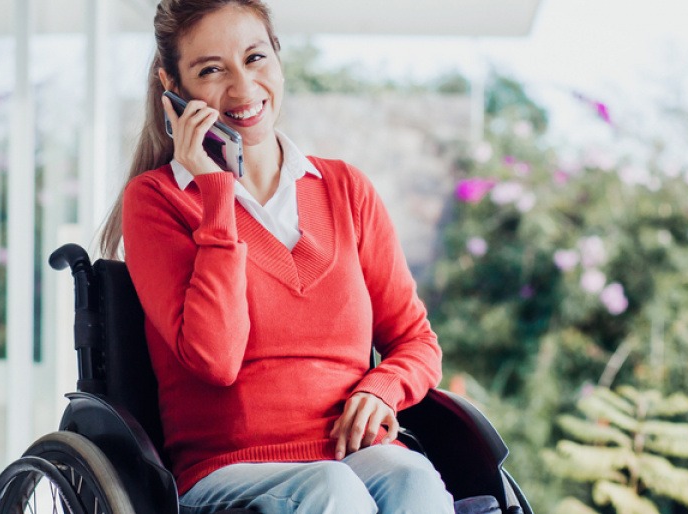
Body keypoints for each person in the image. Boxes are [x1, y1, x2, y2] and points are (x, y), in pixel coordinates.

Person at [99, 1, 454, 512]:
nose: (243, 89)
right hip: (227, 469)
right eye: (211, 70)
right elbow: (215, 361)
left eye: (256, 58)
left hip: (356, 455)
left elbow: (416, 341)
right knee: (333, 491)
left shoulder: (345, 189)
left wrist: (383, 388)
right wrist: (216, 192)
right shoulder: (158, 200)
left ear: (279, 60)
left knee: (413, 479)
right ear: (172, 89)